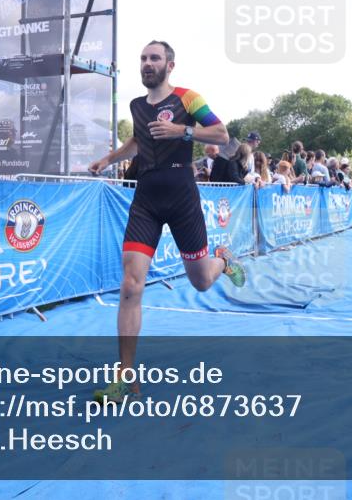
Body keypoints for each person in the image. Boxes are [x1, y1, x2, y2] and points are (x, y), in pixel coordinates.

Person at [87, 40, 246, 404]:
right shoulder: (137, 106)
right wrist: (107, 159)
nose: (147, 63)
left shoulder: (189, 99)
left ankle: (224, 260)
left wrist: (183, 132)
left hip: (181, 196)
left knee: (203, 281)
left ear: (169, 65)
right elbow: (138, 142)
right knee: (130, 284)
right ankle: (126, 379)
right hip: (146, 199)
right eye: (142, 58)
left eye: (154, 58)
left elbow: (222, 136)